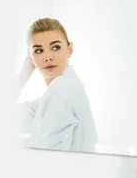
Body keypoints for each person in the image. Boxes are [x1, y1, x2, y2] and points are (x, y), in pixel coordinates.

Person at [17, 18, 98, 153]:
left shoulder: (61, 90)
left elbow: (49, 162)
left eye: (55, 47)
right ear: (30, 58)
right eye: (38, 50)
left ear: (69, 49)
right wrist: (22, 77)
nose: (48, 57)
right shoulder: (58, 92)